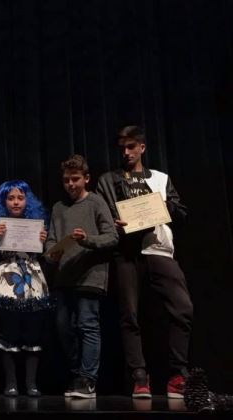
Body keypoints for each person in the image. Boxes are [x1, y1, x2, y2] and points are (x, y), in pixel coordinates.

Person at [97, 125, 193, 399]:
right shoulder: (110, 179)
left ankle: (178, 375)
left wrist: (163, 207)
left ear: (142, 148)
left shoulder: (160, 178)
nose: (126, 153)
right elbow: (103, 216)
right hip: (127, 253)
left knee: (183, 309)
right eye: (122, 148)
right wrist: (113, 225)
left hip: (159, 250)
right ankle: (139, 376)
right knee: (130, 314)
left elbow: (182, 213)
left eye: (131, 147)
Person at [45, 155, 118, 399]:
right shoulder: (58, 207)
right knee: (63, 327)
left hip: (90, 275)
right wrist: (51, 254)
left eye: (75, 179)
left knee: (87, 324)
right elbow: (52, 240)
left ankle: (88, 379)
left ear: (86, 178)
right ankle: (78, 373)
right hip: (64, 276)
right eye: (66, 180)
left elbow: (112, 237)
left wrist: (87, 239)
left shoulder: (97, 202)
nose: (71, 184)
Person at [0, 180, 51, 397]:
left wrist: (44, 242)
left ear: (27, 200)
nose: (15, 202)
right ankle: (11, 383)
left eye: (20, 198)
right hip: (7, 279)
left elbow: (48, 256)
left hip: (32, 279)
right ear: (4, 201)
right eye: (11, 198)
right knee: (9, 330)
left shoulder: (37, 223)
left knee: (33, 330)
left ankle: (31, 383)